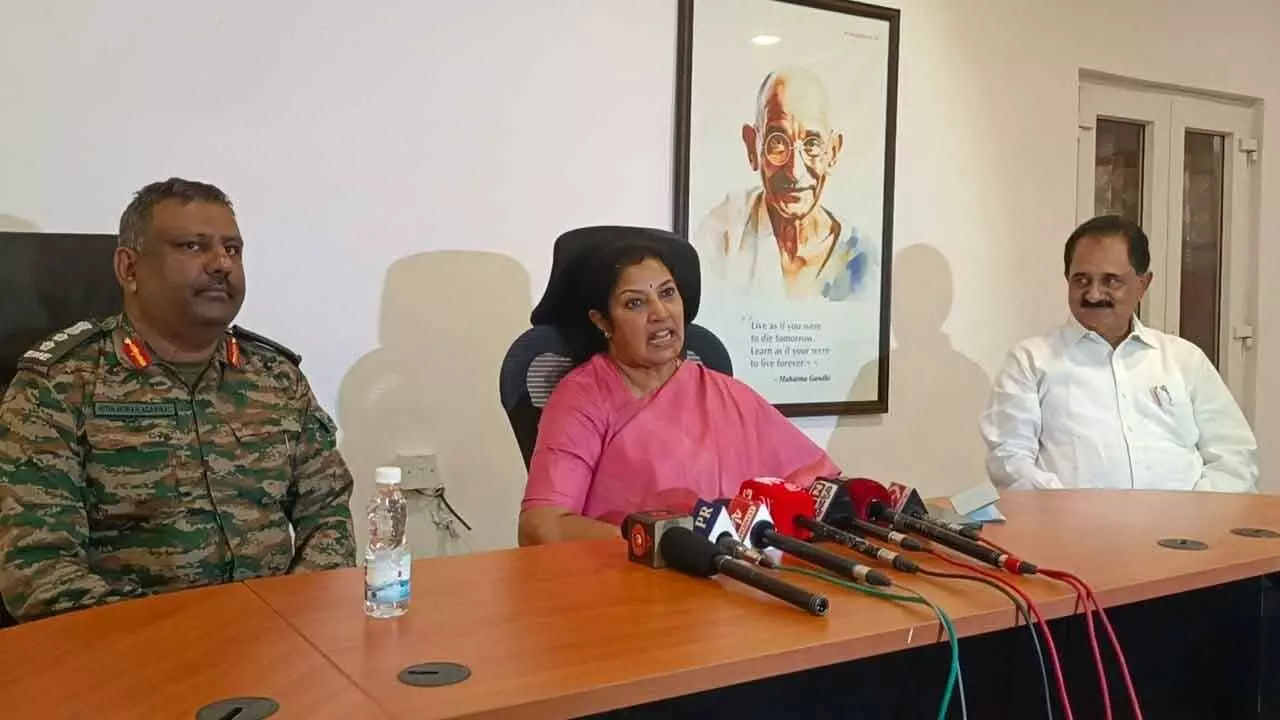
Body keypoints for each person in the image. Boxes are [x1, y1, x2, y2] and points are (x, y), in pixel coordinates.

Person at [0, 178, 356, 622]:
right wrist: (175, 644)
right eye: (193, 246)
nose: (221, 264)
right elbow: (38, 569)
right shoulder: (59, 386)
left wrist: (297, 614)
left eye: (233, 249)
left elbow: (327, 513)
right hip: (129, 655)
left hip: (274, 642)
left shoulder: (276, 377)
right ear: (129, 269)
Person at [518, 226, 841, 546]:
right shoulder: (583, 397)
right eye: (635, 303)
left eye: (667, 293)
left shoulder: (726, 393)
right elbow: (541, 527)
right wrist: (657, 544)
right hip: (632, 580)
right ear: (602, 321)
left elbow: (817, 487)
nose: (660, 312)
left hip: (736, 574)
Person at [980, 215, 1257, 492]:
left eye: (1111, 281)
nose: (1093, 294)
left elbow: (1233, 454)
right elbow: (1010, 460)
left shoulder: (1183, 359)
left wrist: (1194, 516)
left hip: (1188, 531)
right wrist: (1066, 513)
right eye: (1081, 280)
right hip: (1070, 530)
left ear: (1143, 284)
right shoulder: (1031, 361)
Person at [694, 67, 873, 302]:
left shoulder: (859, 258)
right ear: (752, 147)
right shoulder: (720, 239)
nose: (795, 172)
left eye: (812, 144)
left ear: (833, 151)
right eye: (777, 142)